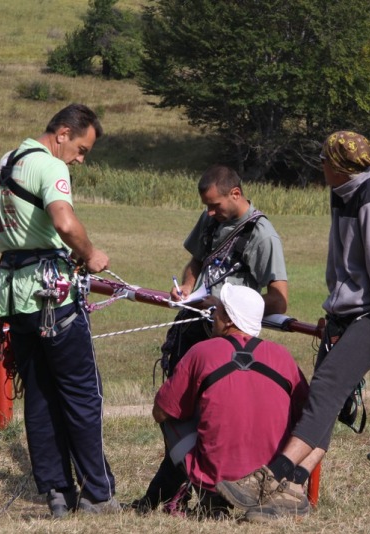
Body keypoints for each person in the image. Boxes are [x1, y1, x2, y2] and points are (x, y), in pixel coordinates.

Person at [216, 131, 370, 522]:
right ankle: (295, 490)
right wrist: (337, 310)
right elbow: (344, 263)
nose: (321, 166)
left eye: (325, 161)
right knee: (324, 402)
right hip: (352, 310)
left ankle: (269, 476)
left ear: (341, 166)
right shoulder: (343, 192)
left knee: (327, 387)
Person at [135, 164, 289, 510]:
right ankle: (176, 493)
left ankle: (192, 494)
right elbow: (196, 261)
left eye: (215, 205)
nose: (209, 213)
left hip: (226, 343)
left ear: (236, 194)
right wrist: (187, 287)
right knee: (176, 411)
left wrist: (228, 306)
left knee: (200, 419)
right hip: (192, 331)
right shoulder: (211, 220)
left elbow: (279, 300)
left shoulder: (263, 236)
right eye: (206, 206)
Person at [0, 103, 118, 518]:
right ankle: (98, 493)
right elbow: (63, 222)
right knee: (82, 394)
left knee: (41, 395)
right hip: (52, 298)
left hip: (16, 298)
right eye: (81, 149)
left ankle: (57, 492)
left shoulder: (7, 162)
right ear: (62, 134)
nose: (80, 160)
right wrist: (90, 253)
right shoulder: (50, 166)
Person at [152, 283, 309, 517]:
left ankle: (209, 495)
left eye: (218, 311)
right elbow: (307, 417)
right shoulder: (284, 357)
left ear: (227, 320)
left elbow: (161, 411)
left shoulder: (200, 352)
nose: (213, 316)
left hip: (216, 478)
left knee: (171, 416)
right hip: (273, 476)